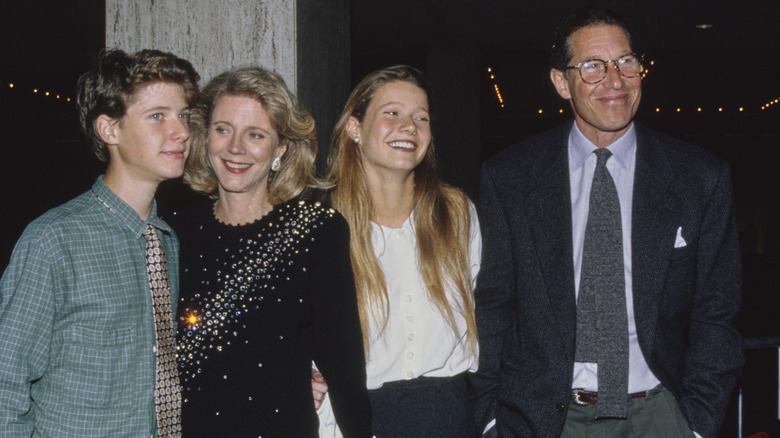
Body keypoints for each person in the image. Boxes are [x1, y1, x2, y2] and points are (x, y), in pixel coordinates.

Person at [470, 6, 743, 438]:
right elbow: (493, 308)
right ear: (563, 82)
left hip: (663, 413)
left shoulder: (700, 178)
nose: (615, 81)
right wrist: (489, 419)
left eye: (626, 62)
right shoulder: (511, 178)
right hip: (547, 419)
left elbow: (717, 313)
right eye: (593, 67)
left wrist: (697, 425)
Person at [0, 49, 199, 437]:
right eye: (157, 116)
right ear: (109, 130)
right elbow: (6, 383)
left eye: (183, 115)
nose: (180, 132)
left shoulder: (166, 241)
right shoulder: (54, 240)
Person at [169, 66, 372, 437]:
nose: (235, 148)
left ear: (280, 148)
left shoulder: (315, 229)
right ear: (205, 136)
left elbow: (343, 362)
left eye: (255, 135)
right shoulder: (176, 230)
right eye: (223, 129)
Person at [321, 65, 482, 437]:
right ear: (354, 128)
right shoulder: (323, 227)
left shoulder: (457, 215)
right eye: (392, 113)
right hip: (359, 417)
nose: (409, 126)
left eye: (420, 117)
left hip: (450, 414)